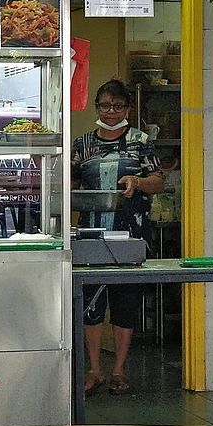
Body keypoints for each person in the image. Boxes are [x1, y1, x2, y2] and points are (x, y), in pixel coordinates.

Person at [72, 78, 164, 395]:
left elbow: (158, 181)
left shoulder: (141, 141)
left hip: (130, 231)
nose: (111, 112)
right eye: (105, 106)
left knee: (125, 301)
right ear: (96, 107)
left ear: (128, 108)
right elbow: (70, 184)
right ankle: (94, 369)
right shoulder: (83, 144)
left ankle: (120, 369)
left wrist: (138, 183)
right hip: (91, 232)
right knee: (91, 303)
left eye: (118, 106)